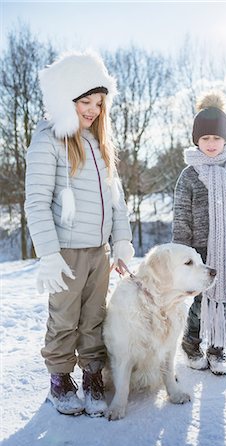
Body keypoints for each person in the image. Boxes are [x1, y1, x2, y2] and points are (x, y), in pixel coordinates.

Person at [25, 50, 134, 415]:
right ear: (65, 99)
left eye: (99, 102)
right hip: (67, 252)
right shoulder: (48, 139)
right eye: (85, 100)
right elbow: (36, 202)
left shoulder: (101, 144)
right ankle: (60, 379)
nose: (92, 109)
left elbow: (116, 202)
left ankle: (91, 376)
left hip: (99, 252)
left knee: (94, 319)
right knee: (64, 320)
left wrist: (120, 242)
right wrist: (49, 255)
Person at [172, 91, 226, 376]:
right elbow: (181, 217)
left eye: (216, 138)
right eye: (205, 139)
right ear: (196, 140)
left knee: (225, 298)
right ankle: (191, 343)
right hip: (199, 252)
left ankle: (217, 350)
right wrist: (181, 255)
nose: (211, 144)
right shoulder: (189, 175)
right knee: (199, 301)